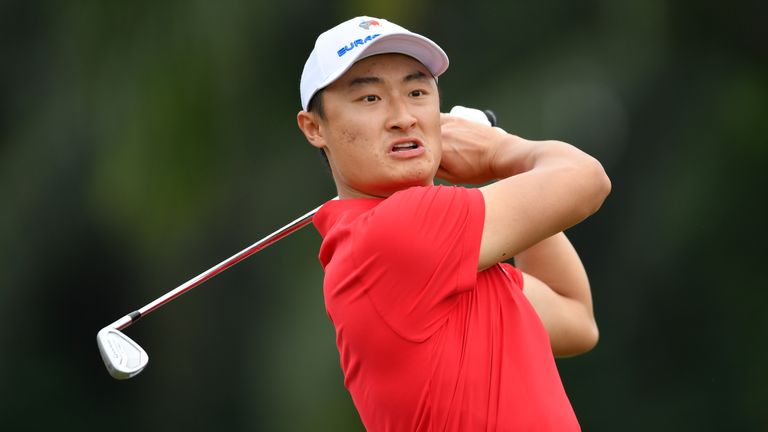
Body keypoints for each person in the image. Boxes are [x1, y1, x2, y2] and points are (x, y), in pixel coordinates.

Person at [296, 16, 611, 431]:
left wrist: (507, 177)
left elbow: (574, 318)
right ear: (315, 127)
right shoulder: (394, 233)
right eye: (370, 99)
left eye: (417, 92)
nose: (403, 117)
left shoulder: (453, 253)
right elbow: (587, 179)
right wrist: (498, 149)